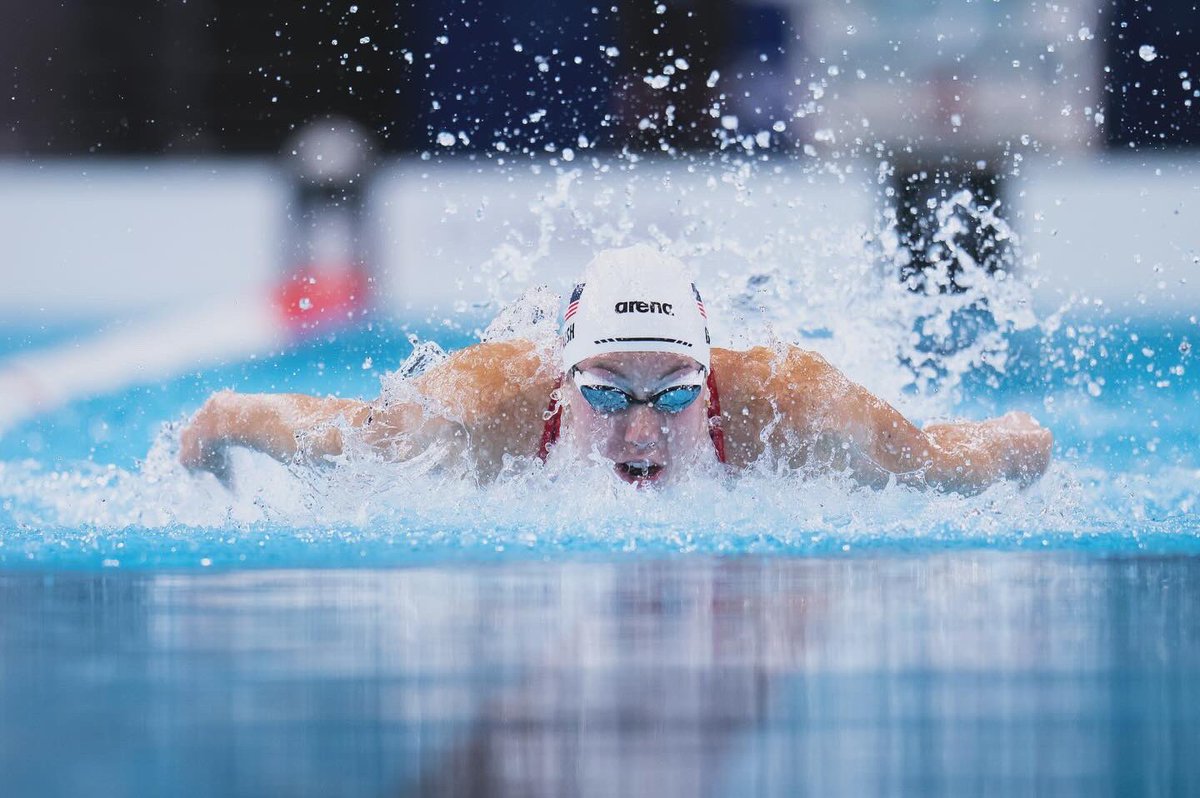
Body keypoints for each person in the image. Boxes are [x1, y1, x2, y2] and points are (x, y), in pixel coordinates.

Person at [180, 245, 1053, 493]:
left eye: (674, 395)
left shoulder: (790, 403)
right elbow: (338, 433)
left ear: (709, 382)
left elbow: (947, 460)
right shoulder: (476, 410)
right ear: (563, 385)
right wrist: (225, 419)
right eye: (604, 393)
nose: (641, 432)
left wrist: (1021, 444)